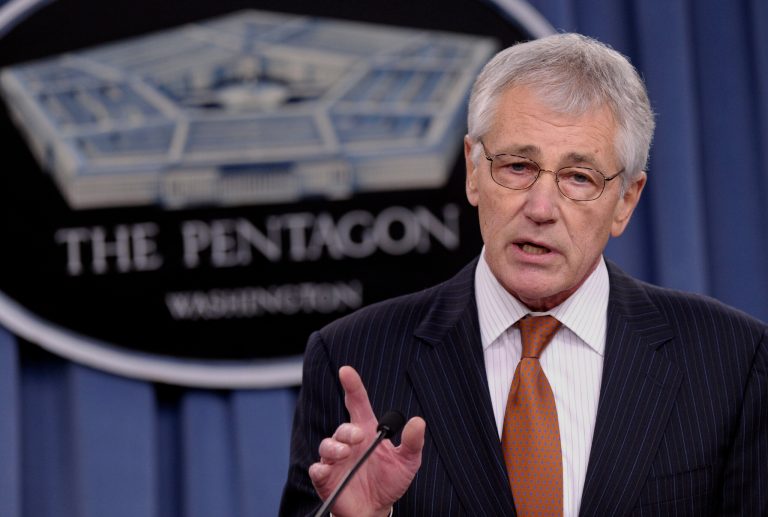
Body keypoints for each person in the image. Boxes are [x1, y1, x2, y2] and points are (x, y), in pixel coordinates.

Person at [279, 33, 768, 516]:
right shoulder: (353, 358)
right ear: (473, 171)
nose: (540, 208)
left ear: (625, 201)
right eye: (517, 166)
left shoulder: (731, 361)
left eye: (579, 177)